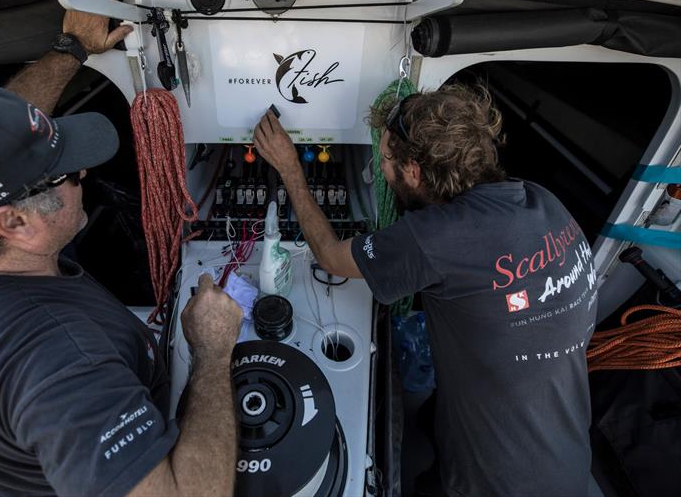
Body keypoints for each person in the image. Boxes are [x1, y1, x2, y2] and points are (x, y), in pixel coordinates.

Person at [0, 8, 242, 496]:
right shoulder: (63, 363)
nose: (84, 175)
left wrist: (70, 48)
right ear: (13, 222)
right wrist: (212, 352)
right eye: (65, 173)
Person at [254, 84, 598, 497]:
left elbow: (329, 256)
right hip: (569, 456)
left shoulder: (434, 239)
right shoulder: (542, 201)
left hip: (492, 479)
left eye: (383, 160)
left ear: (414, 171)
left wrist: (290, 168)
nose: (380, 170)